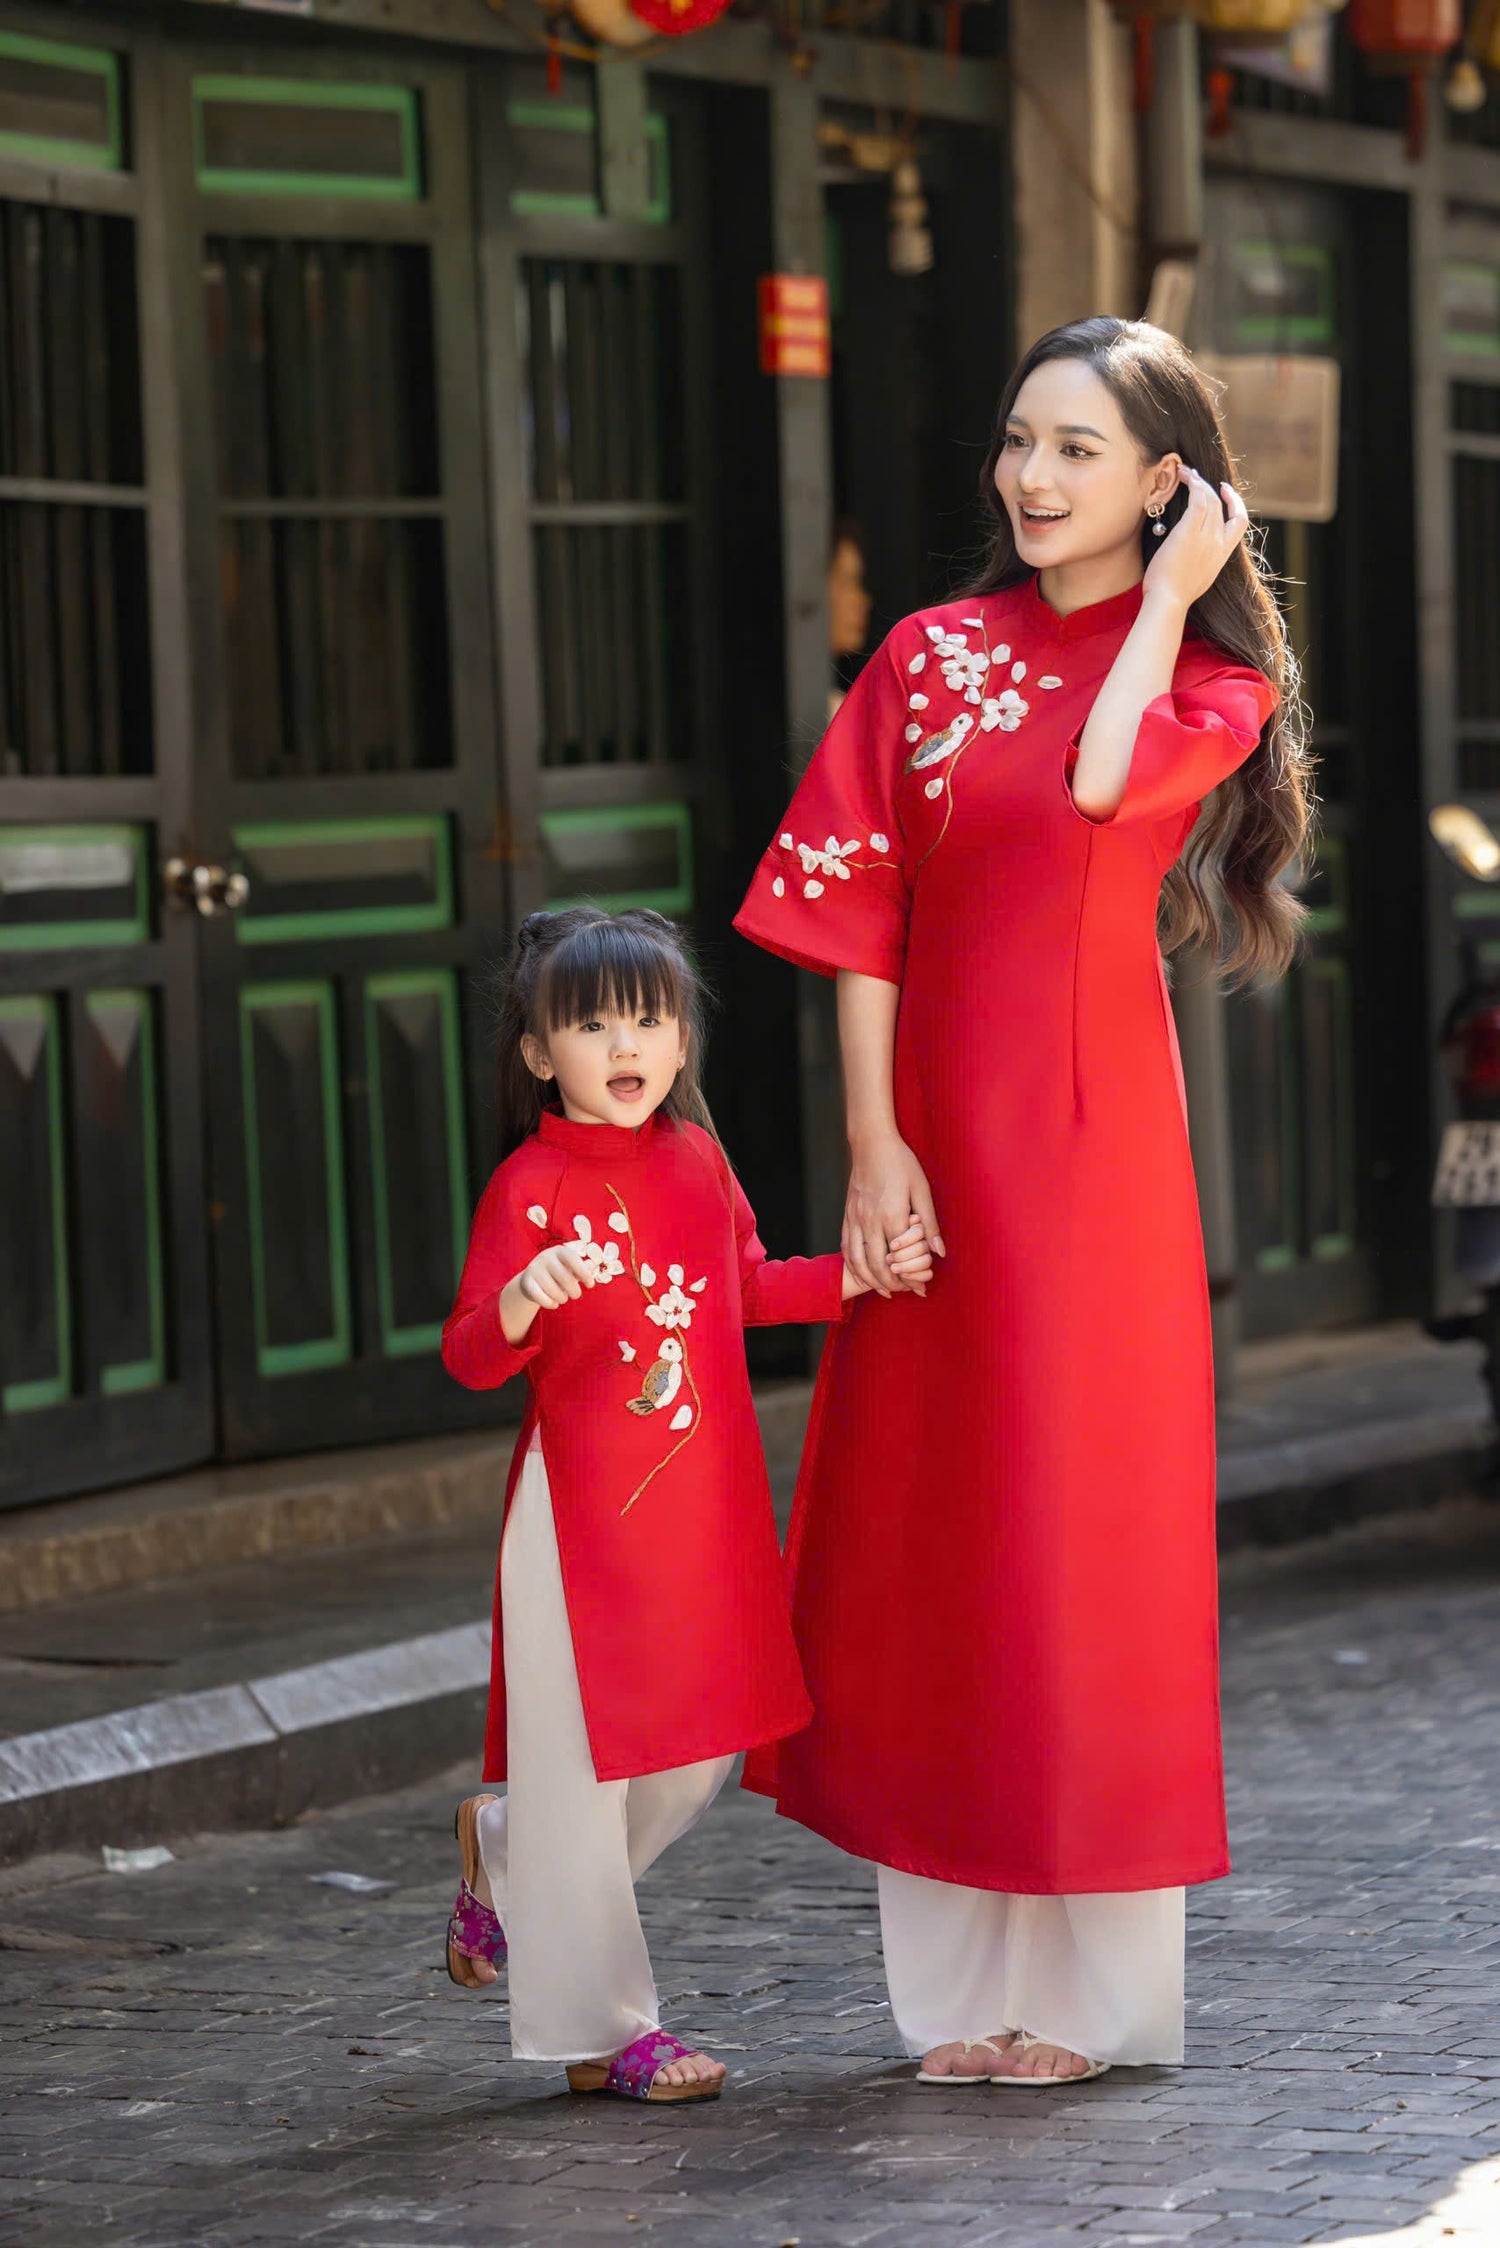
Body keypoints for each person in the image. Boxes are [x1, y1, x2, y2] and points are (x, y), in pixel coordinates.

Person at [733, 317, 1314, 2086]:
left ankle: (1091, 1999)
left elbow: (1094, 784)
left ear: (1163, 485)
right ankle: (960, 1994)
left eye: (1075, 450)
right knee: (936, 1538)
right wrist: (870, 1146)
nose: (1030, 479)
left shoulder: (1215, 689)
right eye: (1017, 443)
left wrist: (1164, 600)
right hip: (932, 1149)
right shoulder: (923, 654)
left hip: (1089, 1161)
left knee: (1074, 1544)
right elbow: (852, 907)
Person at [438, 906, 931, 2104]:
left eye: (650, 1018)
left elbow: (745, 1290)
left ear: (680, 1043)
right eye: (593, 1021)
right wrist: (521, 1296)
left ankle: (506, 1857)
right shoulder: (532, 1186)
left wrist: (857, 1278)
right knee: (586, 1771)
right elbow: (466, 1354)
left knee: (701, 1749)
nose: (627, 1043)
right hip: (578, 1523)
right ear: (539, 1053)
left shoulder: (696, 1162)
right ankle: (606, 2033)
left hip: (700, 1515)